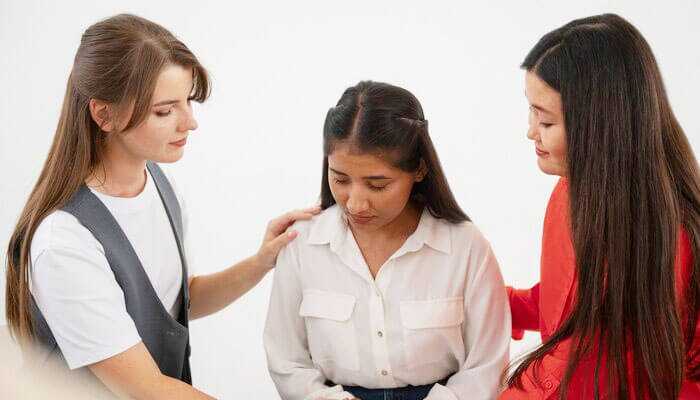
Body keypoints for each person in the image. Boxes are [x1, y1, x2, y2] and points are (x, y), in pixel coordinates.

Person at [4, 13, 318, 399]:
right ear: (104, 114)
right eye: (165, 111)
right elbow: (148, 389)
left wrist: (260, 262)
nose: (190, 122)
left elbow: (175, 300)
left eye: (187, 101)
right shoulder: (65, 243)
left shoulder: (158, 185)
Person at [264, 81, 510, 400]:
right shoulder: (302, 243)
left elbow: (487, 366)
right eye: (340, 179)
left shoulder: (465, 245)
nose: (355, 203)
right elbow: (286, 359)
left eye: (377, 185)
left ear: (419, 169)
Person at [501, 14, 700, 399]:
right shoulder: (573, 189)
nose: (530, 132)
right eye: (532, 111)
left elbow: (584, 357)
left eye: (545, 121)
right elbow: (570, 302)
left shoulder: (665, 238)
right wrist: (495, 301)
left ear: (597, 125)